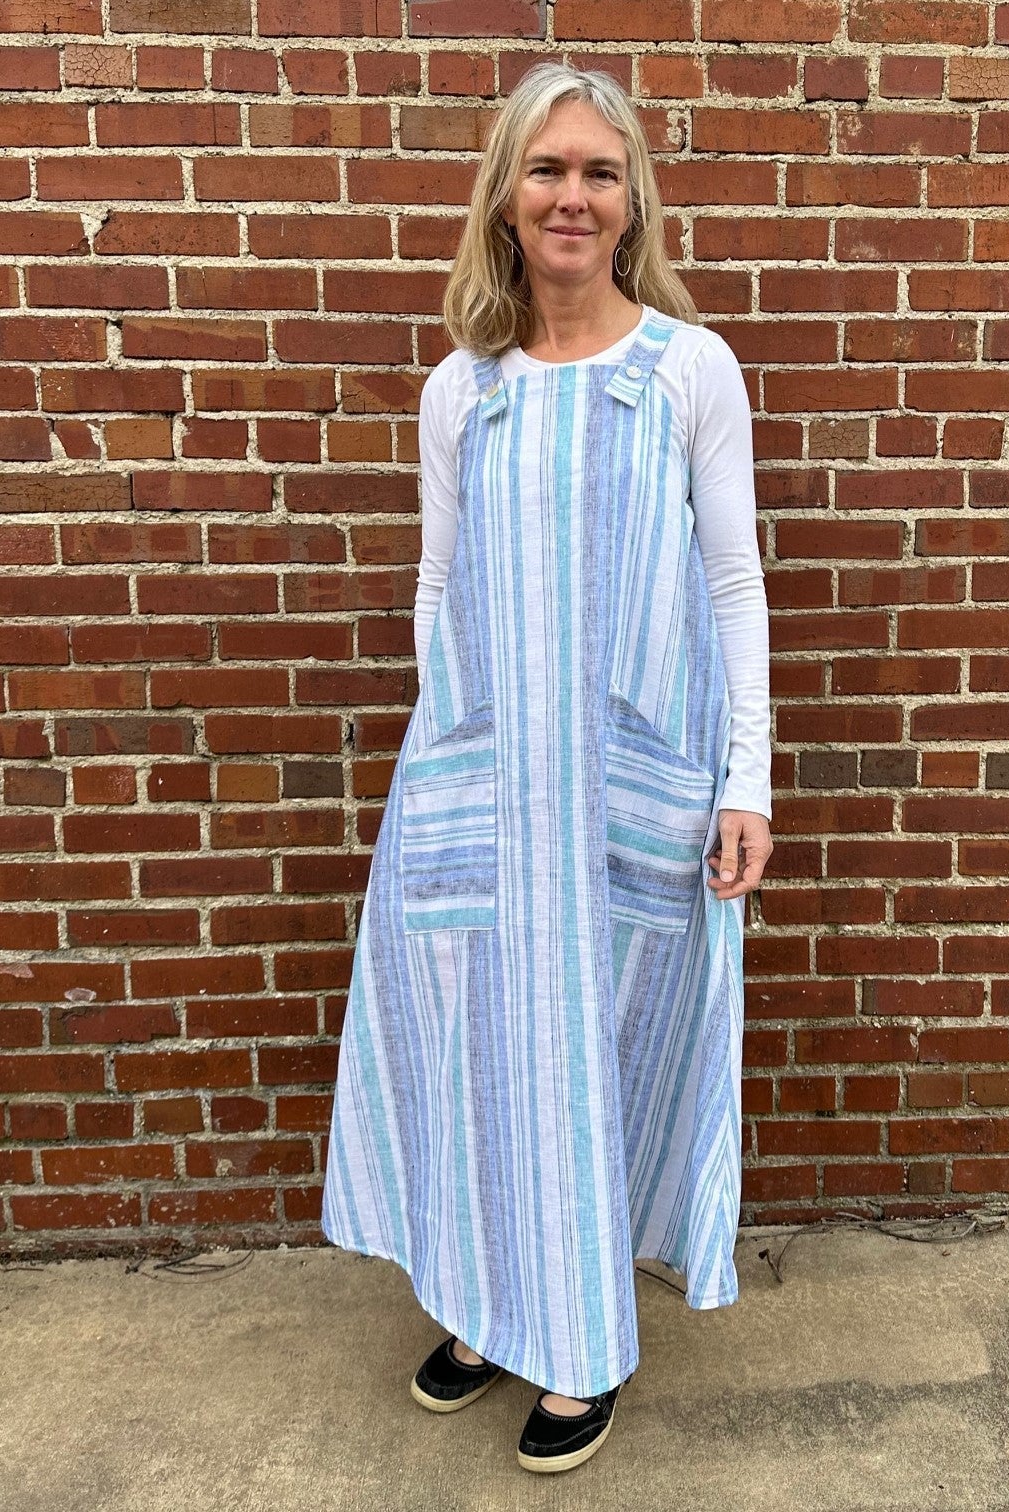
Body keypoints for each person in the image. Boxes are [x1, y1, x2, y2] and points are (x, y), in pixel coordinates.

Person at [321, 59, 773, 1474]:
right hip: (483, 789)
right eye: (546, 169)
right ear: (505, 200)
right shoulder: (464, 390)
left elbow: (732, 582)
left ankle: (578, 1342)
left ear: (632, 200)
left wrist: (745, 773)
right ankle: (481, 1304)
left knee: (591, 1055)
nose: (571, 195)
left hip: (633, 793)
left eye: (598, 170)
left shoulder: (686, 374)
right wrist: (450, 749)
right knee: (471, 1054)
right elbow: (435, 586)